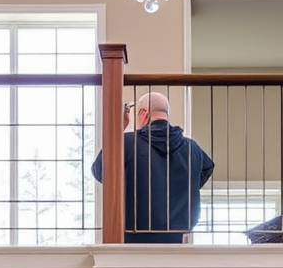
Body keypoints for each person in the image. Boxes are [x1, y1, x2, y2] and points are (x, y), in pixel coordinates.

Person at [91, 91, 214, 244]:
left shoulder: (127, 143)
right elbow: (207, 168)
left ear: (143, 113)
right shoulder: (192, 148)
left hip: (132, 235)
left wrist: (118, 129)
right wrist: (184, 189)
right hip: (176, 235)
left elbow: (99, 170)